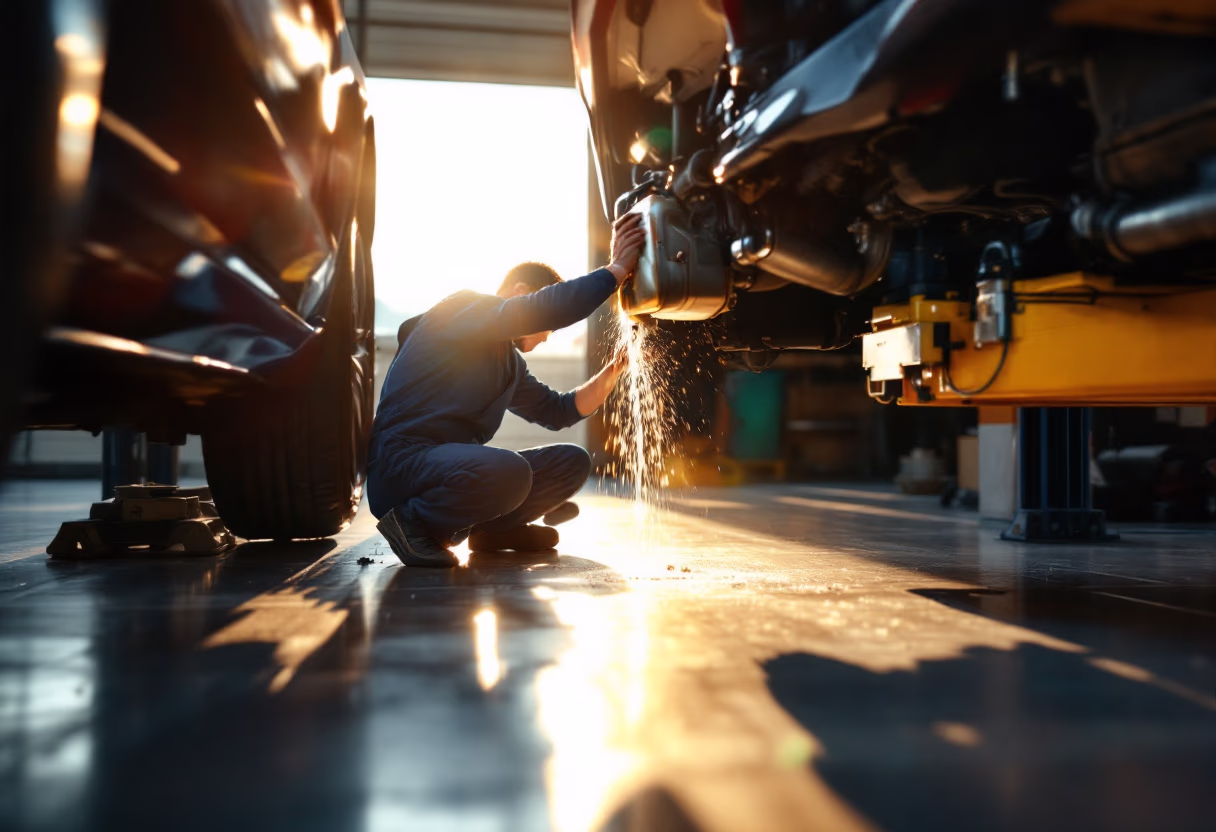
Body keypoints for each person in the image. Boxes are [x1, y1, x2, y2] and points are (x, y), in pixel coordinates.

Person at [368, 213, 647, 567]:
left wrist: (616, 368)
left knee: (572, 462)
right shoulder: (462, 308)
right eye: (547, 327)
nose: (547, 335)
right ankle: (412, 524)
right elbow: (546, 308)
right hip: (403, 466)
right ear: (521, 292)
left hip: (447, 469)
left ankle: (492, 532)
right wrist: (617, 269)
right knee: (510, 471)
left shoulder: (510, 365)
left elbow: (558, 411)